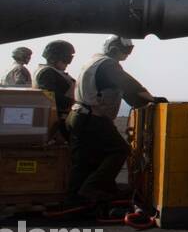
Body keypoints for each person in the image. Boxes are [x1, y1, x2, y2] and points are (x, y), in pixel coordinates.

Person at [68, 35, 158, 204]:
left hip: (78, 116)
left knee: (85, 160)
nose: (128, 54)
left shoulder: (94, 62)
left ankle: (77, 200)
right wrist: (153, 99)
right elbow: (130, 85)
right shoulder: (109, 64)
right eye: (126, 50)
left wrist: (141, 98)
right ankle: (93, 188)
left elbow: (127, 94)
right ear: (114, 49)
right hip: (92, 118)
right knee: (120, 149)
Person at [34, 40, 76, 138]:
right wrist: (74, 103)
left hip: (60, 118)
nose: (68, 63)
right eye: (66, 59)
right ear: (55, 58)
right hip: (57, 121)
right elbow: (50, 95)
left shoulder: (49, 71)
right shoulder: (47, 72)